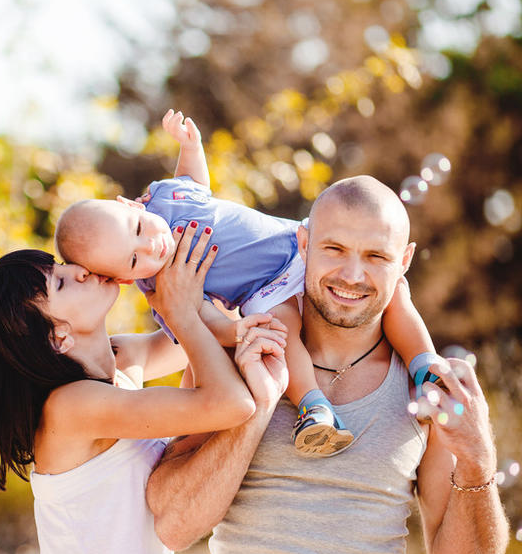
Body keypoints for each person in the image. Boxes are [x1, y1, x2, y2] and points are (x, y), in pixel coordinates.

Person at [146, 175, 510, 554]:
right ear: (304, 243)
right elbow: (174, 525)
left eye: (376, 256)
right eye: (334, 248)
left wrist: (479, 461)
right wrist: (257, 408)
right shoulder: (233, 360)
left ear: (404, 262)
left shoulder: (433, 389)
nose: (352, 275)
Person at [0, 222, 289, 554]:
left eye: (62, 264)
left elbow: (203, 334)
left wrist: (154, 256)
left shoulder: (123, 362)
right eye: (60, 281)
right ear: (58, 336)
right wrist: (181, 312)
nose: (78, 269)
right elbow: (231, 404)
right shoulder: (71, 408)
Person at [55, 109, 443, 457]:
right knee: (280, 333)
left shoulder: (164, 196)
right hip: (266, 291)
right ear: (124, 278)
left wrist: (191, 146)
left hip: (299, 245)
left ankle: (426, 367)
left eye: (138, 229)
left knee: (394, 292)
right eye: (135, 258)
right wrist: (237, 329)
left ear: (131, 205)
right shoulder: (163, 286)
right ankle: (316, 408)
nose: (151, 245)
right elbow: (203, 319)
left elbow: (195, 185)